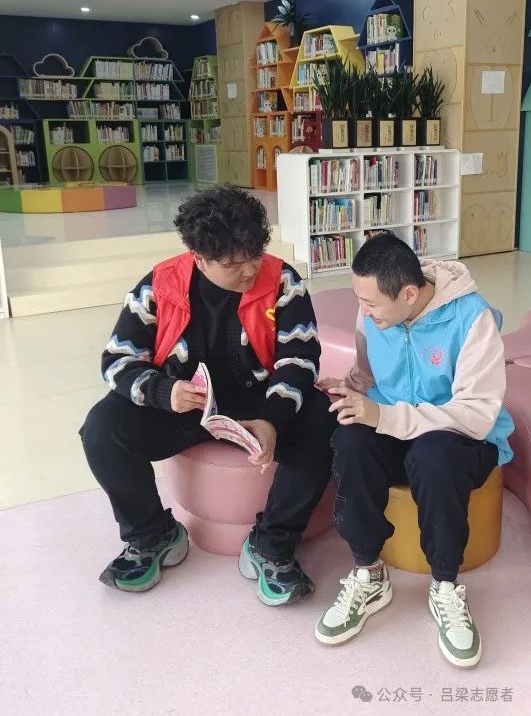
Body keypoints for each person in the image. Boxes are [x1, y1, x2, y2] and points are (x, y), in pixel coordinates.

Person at [80, 185, 336, 605]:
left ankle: (272, 544)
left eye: (255, 256)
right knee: (101, 428)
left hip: (259, 404)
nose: (249, 271)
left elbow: (300, 358)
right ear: (199, 258)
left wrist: (273, 419)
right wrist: (162, 391)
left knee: (324, 418)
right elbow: (117, 360)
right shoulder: (160, 285)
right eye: (233, 264)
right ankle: (151, 535)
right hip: (181, 405)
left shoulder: (282, 280)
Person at [315, 234, 514, 667]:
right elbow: (367, 374)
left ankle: (445, 584)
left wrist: (385, 417)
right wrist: (346, 387)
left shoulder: (472, 319)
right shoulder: (372, 313)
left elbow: (476, 415)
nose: (363, 311)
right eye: (359, 300)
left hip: (462, 438)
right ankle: (368, 572)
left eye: (371, 304)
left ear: (408, 294)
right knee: (350, 437)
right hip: (397, 426)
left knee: (433, 455)